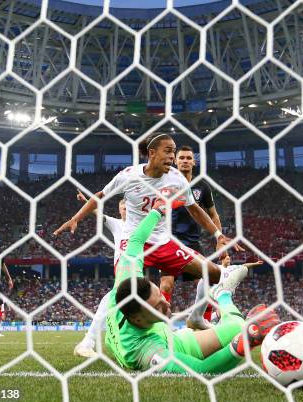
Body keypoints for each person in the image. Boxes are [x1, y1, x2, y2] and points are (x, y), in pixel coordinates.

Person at [54, 133, 243, 305]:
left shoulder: (177, 179)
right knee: (124, 289)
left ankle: (198, 318)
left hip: (163, 242)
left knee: (214, 274)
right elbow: (100, 196)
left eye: (174, 152)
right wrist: (76, 218)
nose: (172, 157)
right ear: (152, 153)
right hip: (133, 242)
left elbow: (194, 209)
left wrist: (218, 235)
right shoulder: (128, 176)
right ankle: (96, 337)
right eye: (168, 151)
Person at [105, 200, 279, 372]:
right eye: (158, 307)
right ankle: (223, 294)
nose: (167, 304)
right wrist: (243, 343)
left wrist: (156, 211)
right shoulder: (146, 352)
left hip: (162, 333)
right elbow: (199, 369)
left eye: (159, 296)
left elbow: (135, 240)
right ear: (137, 319)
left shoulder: (126, 281)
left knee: (234, 326)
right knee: (238, 327)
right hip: (172, 345)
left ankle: (215, 301)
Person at [162, 145, 225, 330]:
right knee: (166, 285)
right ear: (175, 160)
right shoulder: (165, 182)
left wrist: (219, 239)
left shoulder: (202, 186)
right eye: (181, 158)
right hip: (169, 241)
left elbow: (213, 215)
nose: (185, 161)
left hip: (192, 242)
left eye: (188, 158)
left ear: (193, 162)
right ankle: (164, 325)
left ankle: (201, 321)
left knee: (207, 281)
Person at [74, 194, 126, 358]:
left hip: (137, 268)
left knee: (118, 301)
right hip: (124, 267)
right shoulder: (117, 224)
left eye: (128, 207)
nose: (126, 209)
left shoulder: (140, 224)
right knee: (110, 299)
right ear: (119, 209)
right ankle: (87, 343)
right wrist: (86, 201)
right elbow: (98, 213)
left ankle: (87, 343)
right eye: (123, 207)